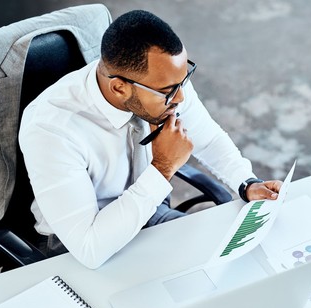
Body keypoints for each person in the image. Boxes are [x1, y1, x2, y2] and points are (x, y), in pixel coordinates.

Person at [19, 10, 282, 269]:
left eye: (183, 81)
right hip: (78, 246)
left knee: (235, 264)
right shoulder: (51, 130)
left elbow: (209, 139)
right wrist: (163, 168)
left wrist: (246, 183)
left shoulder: (164, 84)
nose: (180, 98)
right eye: (169, 92)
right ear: (120, 87)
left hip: (149, 212)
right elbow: (89, 248)